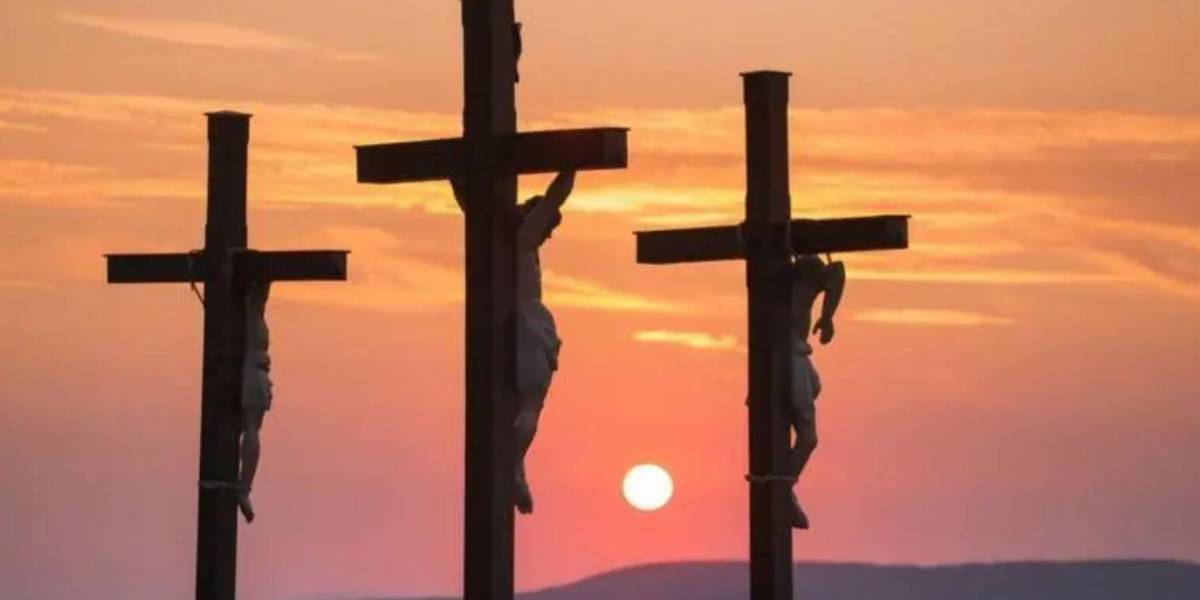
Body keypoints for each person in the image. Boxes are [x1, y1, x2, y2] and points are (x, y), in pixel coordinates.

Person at [450, 171, 576, 514]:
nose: (548, 234)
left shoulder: (496, 241)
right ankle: (513, 465)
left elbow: (470, 205)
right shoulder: (522, 239)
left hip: (500, 325)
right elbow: (557, 195)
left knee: (518, 406)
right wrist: (572, 166)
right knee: (531, 403)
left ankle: (515, 468)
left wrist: (457, 176)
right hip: (527, 325)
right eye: (547, 226)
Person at [788, 253, 844, 529]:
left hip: (793, 353)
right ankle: (782, 487)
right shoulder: (802, 269)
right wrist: (827, 317)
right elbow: (836, 273)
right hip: (787, 356)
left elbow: (836, 272)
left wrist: (827, 317)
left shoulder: (799, 268)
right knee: (808, 437)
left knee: (815, 385)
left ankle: (783, 484)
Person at [238, 279, 272, 523]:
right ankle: (243, 488)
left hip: (257, 374)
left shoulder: (255, 314)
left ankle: (244, 486)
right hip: (252, 373)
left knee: (252, 429)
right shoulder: (249, 311)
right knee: (251, 428)